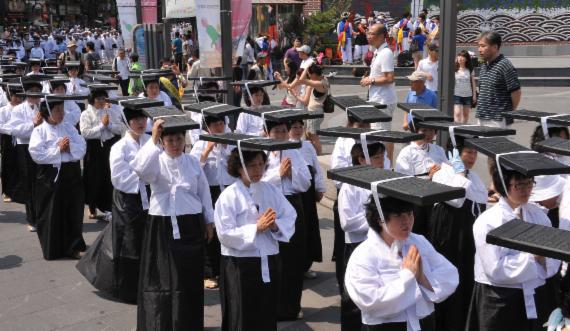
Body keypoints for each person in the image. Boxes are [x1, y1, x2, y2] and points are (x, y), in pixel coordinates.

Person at [132, 118, 215, 331]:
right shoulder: (155, 160)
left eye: (179, 139)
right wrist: (153, 139)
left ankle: (188, 324)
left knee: (189, 279)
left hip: (191, 226)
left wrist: (209, 221)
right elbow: (141, 170)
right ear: (163, 142)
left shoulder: (193, 162)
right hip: (162, 225)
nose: (175, 144)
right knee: (162, 278)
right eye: (170, 140)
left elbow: (203, 192)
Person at [468, 163, 561, 330]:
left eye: (529, 183)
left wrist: (542, 259)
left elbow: (553, 256)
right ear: (503, 185)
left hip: (535, 293)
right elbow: (494, 269)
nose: (526, 189)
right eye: (519, 185)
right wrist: (534, 258)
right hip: (499, 299)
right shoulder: (488, 221)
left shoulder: (538, 216)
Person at [345, 195, 459, 330]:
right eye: (398, 215)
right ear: (380, 219)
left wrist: (422, 278)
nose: (407, 221)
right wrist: (408, 276)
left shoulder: (419, 241)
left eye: (410, 213)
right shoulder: (364, 254)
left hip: (424, 321)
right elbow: (369, 300)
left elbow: (450, 274)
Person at [215, 147, 296, 331]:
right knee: (242, 315)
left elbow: (290, 215)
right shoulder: (229, 196)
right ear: (239, 167)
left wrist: (275, 225)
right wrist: (256, 228)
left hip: (268, 260)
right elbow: (225, 233)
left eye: (261, 164)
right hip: (240, 265)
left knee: (266, 312)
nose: (258, 170)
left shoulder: (270, 190)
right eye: (251, 166)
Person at [77, 102, 151, 303]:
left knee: (148, 243)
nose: (140, 123)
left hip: (150, 199)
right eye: (136, 120)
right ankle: (127, 287)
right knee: (128, 243)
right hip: (128, 200)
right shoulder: (119, 147)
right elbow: (119, 178)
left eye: (143, 119)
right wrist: (144, 177)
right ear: (127, 122)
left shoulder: (151, 142)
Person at [428, 135, 487, 331]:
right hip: (448, 236)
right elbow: (457, 199)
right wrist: (460, 174)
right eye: (468, 152)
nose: (472, 157)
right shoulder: (441, 172)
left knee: (465, 280)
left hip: (466, 237)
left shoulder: (474, 176)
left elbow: (481, 198)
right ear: (455, 153)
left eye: (475, 152)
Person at [262, 119, 311, 321]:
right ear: (267, 133)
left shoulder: (294, 152)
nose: (281, 135)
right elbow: (255, 180)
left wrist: (291, 174)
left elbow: (306, 182)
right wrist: (277, 174)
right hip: (270, 206)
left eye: (284, 131)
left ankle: (292, 306)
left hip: (292, 203)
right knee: (273, 258)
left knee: (293, 259)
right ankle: (272, 305)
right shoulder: (262, 153)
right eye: (277, 131)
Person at [28, 96, 87, 260]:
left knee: (73, 211)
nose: (61, 113)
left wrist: (69, 149)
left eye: (62, 109)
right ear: (47, 112)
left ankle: (73, 246)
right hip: (50, 176)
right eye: (57, 110)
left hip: (71, 173)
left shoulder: (69, 127)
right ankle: (53, 248)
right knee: (51, 212)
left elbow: (82, 146)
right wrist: (58, 149)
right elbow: (36, 154)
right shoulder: (39, 130)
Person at [338, 142, 385, 331]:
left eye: (383, 156)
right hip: (356, 246)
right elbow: (347, 222)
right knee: (354, 298)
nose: (382, 161)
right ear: (362, 160)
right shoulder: (350, 185)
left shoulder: (383, 181)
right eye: (376, 157)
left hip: (379, 246)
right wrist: (374, 218)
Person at [190, 113, 236, 289]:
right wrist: (207, 151)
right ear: (207, 127)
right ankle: (209, 272)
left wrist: (225, 149)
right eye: (215, 125)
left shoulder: (230, 142)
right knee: (211, 231)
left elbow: (236, 167)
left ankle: (226, 268)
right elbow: (194, 170)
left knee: (227, 228)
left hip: (229, 189)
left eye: (221, 124)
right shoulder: (200, 144)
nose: (219, 128)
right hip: (211, 190)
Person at [80, 86, 126, 221]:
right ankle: (92, 205)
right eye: (99, 99)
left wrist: (109, 126)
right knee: (94, 177)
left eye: (103, 99)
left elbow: (121, 129)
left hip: (109, 145)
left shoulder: (110, 111)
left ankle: (108, 207)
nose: (101, 101)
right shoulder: (86, 114)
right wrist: (101, 126)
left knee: (108, 176)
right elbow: (85, 132)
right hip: (94, 148)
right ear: (92, 100)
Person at [6, 78, 44, 232]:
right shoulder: (18, 109)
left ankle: (43, 217)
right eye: (32, 92)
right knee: (29, 183)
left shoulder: (44, 107)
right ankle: (31, 218)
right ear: (26, 93)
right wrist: (33, 125)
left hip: (42, 147)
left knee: (42, 184)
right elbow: (15, 130)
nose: (35, 95)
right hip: (25, 148)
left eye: (37, 92)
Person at [288, 119, 325, 279]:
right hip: (293, 193)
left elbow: (316, 168)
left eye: (299, 127)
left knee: (309, 227)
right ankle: (293, 266)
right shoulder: (285, 146)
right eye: (293, 127)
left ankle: (306, 265)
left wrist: (320, 188)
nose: (297, 130)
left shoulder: (308, 146)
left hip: (308, 193)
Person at [361, 23, 397, 164]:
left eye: (372, 34)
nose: (368, 36)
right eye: (368, 33)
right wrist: (369, 79)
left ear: (382, 36)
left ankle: (387, 167)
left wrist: (371, 80)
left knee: (382, 136)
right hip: (378, 99)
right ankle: (386, 165)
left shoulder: (386, 53)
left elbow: (389, 78)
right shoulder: (378, 51)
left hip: (383, 101)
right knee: (381, 135)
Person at [475, 31, 521, 128]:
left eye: (483, 46)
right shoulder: (484, 65)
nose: (479, 49)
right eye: (479, 46)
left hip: (497, 120)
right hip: (481, 117)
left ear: (495, 47)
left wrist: (508, 112)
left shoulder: (505, 65)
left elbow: (516, 92)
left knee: (495, 143)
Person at [0, 84, 23, 202]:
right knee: (7, 164)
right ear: (10, 96)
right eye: (16, 96)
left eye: (20, 96)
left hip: (20, 138)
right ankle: (7, 191)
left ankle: (17, 190)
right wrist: (12, 130)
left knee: (19, 163)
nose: (18, 98)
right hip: (8, 139)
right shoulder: (3, 110)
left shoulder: (23, 109)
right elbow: (1, 125)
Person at [291, 63, 330, 134]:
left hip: (314, 112)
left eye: (309, 74)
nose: (308, 76)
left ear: (314, 74)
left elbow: (302, 80)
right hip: (315, 111)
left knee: (313, 137)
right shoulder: (324, 79)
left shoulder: (319, 83)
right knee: (310, 135)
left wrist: (306, 68)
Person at [454, 50, 477, 124]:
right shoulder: (454, 69)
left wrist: (474, 95)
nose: (460, 58)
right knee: (457, 113)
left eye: (463, 56)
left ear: (466, 59)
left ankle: (462, 130)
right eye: (459, 56)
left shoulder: (470, 69)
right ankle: (456, 130)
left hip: (468, 95)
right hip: (456, 94)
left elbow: (473, 83)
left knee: (466, 115)